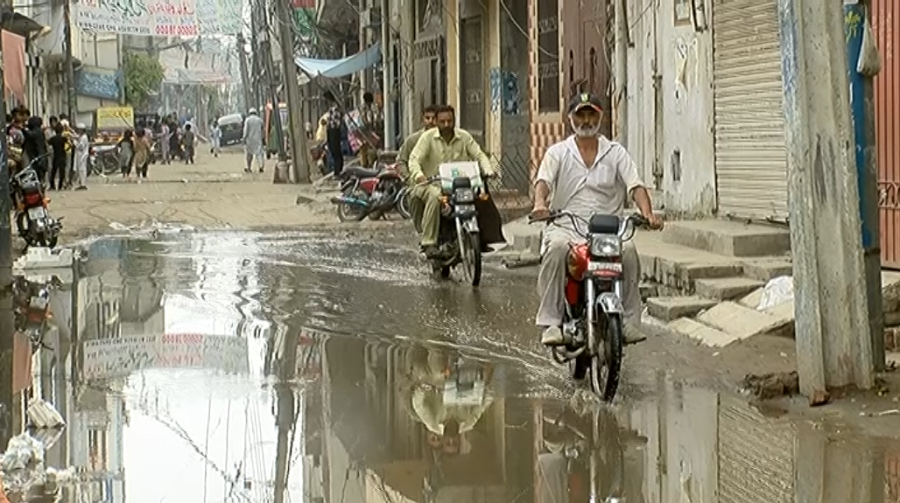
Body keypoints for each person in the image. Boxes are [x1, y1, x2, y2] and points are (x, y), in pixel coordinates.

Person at [531, 93, 663, 347]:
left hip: (608, 229)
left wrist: (647, 213)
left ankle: (628, 322)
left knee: (629, 252)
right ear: (570, 118)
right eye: (580, 114)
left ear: (600, 117)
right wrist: (540, 204)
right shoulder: (558, 152)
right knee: (556, 250)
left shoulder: (615, 152)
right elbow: (543, 182)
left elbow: (635, 185)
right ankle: (551, 322)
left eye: (591, 114)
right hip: (567, 225)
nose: (586, 120)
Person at [407, 105, 495, 258]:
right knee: (435, 196)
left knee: (481, 194)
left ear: (454, 121)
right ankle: (429, 243)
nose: (447, 125)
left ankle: (482, 238)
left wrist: (488, 170)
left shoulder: (464, 137)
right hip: (431, 184)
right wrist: (419, 176)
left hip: (458, 185)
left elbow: (479, 155)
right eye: (443, 122)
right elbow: (414, 160)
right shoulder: (427, 139)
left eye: (450, 121)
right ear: (436, 122)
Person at [398, 105, 438, 232]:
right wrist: (410, 179)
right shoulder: (413, 140)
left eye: (434, 118)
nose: (431, 121)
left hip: (441, 182)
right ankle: (422, 231)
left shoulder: (446, 139)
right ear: (423, 119)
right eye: (427, 118)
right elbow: (401, 162)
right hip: (420, 183)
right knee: (415, 198)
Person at [323, 91, 345, 177]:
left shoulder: (336, 108)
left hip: (334, 130)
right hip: (330, 130)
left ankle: (338, 170)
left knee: (336, 150)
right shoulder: (330, 108)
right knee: (332, 149)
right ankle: (337, 169)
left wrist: (329, 122)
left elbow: (337, 121)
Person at [242, 108, 264, 173]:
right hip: (258, 139)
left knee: (249, 155)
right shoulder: (259, 120)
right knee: (259, 154)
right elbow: (263, 129)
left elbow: (245, 131)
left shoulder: (247, 120)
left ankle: (249, 168)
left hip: (249, 140)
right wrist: (263, 137)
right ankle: (260, 167)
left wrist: (244, 138)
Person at [46, 124, 69, 190]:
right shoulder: (63, 138)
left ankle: (52, 185)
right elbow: (70, 144)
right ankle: (60, 186)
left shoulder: (53, 139)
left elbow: (48, 143)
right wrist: (66, 149)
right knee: (62, 172)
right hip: (62, 155)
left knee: (54, 172)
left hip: (56, 156)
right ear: (62, 131)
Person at [73, 123, 89, 190]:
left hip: (82, 155)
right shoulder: (82, 136)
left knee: (82, 169)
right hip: (80, 155)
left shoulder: (84, 137)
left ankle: (83, 184)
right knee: (80, 169)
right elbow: (77, 137)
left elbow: (81, 147)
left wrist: (74, 142)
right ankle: (81, 183)